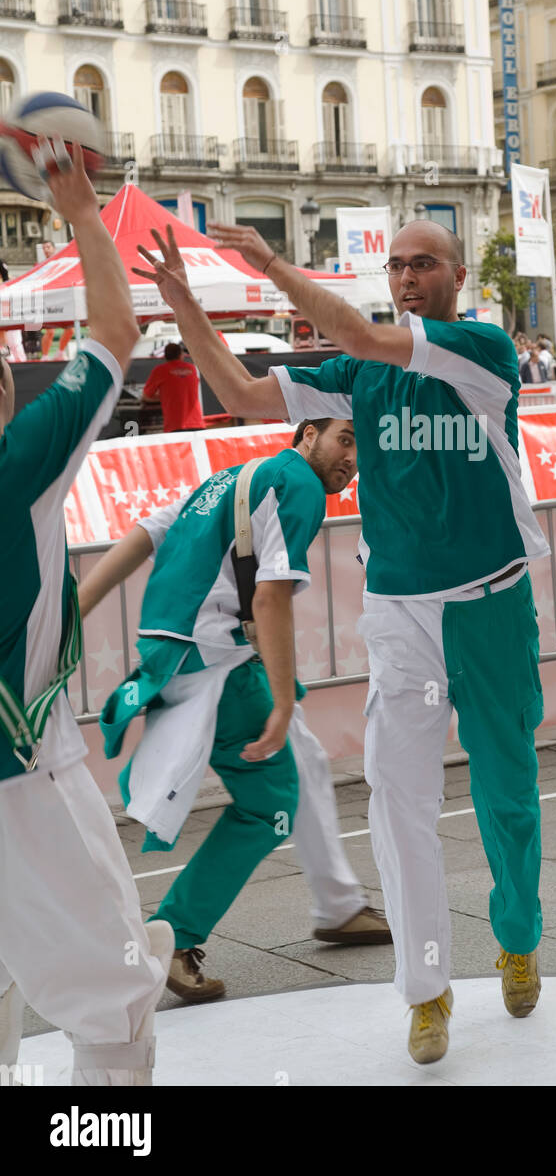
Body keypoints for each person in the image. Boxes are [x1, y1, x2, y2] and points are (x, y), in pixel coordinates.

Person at [132, 216, 550, 1066]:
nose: (406, 276)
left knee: (508, 797)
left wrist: (275, 265)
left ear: (456, 277)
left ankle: (518, 935)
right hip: (400, 612)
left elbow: (361, 329)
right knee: (398, 805)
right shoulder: (358, 376)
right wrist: (183, 309)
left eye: (422, 265)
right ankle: (426, 990)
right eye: (395, 265)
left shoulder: (481, 351)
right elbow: (245, 395)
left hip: (490, 605)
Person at [78, 417, 391, 1003]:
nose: (352, 458)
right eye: (344, 439)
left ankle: (339, 904)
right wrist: (277, 696)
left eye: (361, 446)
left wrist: (74, 611)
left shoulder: (231, 477)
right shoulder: (298, 487)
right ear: (306, 436)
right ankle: (175, 935)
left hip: (176, 651)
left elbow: (147, 533)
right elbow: (271, 598)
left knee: (308, 760)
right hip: (218, 661)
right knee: (268, 807)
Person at [0, 141, 171, 1087]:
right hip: (22, 779)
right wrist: (78, 210)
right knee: (117, 1004)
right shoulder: (20, 464)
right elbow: (113, 326)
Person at [142, 340, 205, 433]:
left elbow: (146, 396)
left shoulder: (159, 371)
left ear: (165, 356)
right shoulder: (192, 368)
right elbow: (187, 389)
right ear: (180, 355)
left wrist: (165, 397)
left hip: (174, 426)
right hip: (197, 424)